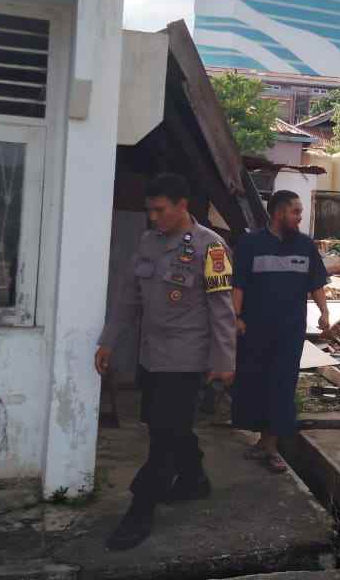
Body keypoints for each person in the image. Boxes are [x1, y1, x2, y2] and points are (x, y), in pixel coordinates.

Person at [94, 173, 237, 551]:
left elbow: (222, 311)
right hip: (152, 355)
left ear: (181, 205)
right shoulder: (147, 242)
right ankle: (194, 479)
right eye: (149, 210)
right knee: (166, 424)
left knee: (163, 436)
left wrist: (224, 362)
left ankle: (141, 509)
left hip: (187, 359)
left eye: (159, 210)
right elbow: (129, 299)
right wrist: (109, 342)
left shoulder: (212, 248)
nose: (153, 217)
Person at [231, 190, 330, 473]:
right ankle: (262, 441)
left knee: (282, 386)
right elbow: (239, 285)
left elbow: (316, 284)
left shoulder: (305, 246)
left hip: (289, 332)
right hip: (254, 330)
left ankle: (272, 447)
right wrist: (236, 316)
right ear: (278, 214)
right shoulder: (250, 244)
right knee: (255, 384)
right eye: (295, 212)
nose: (300, 217)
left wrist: (324, 312)